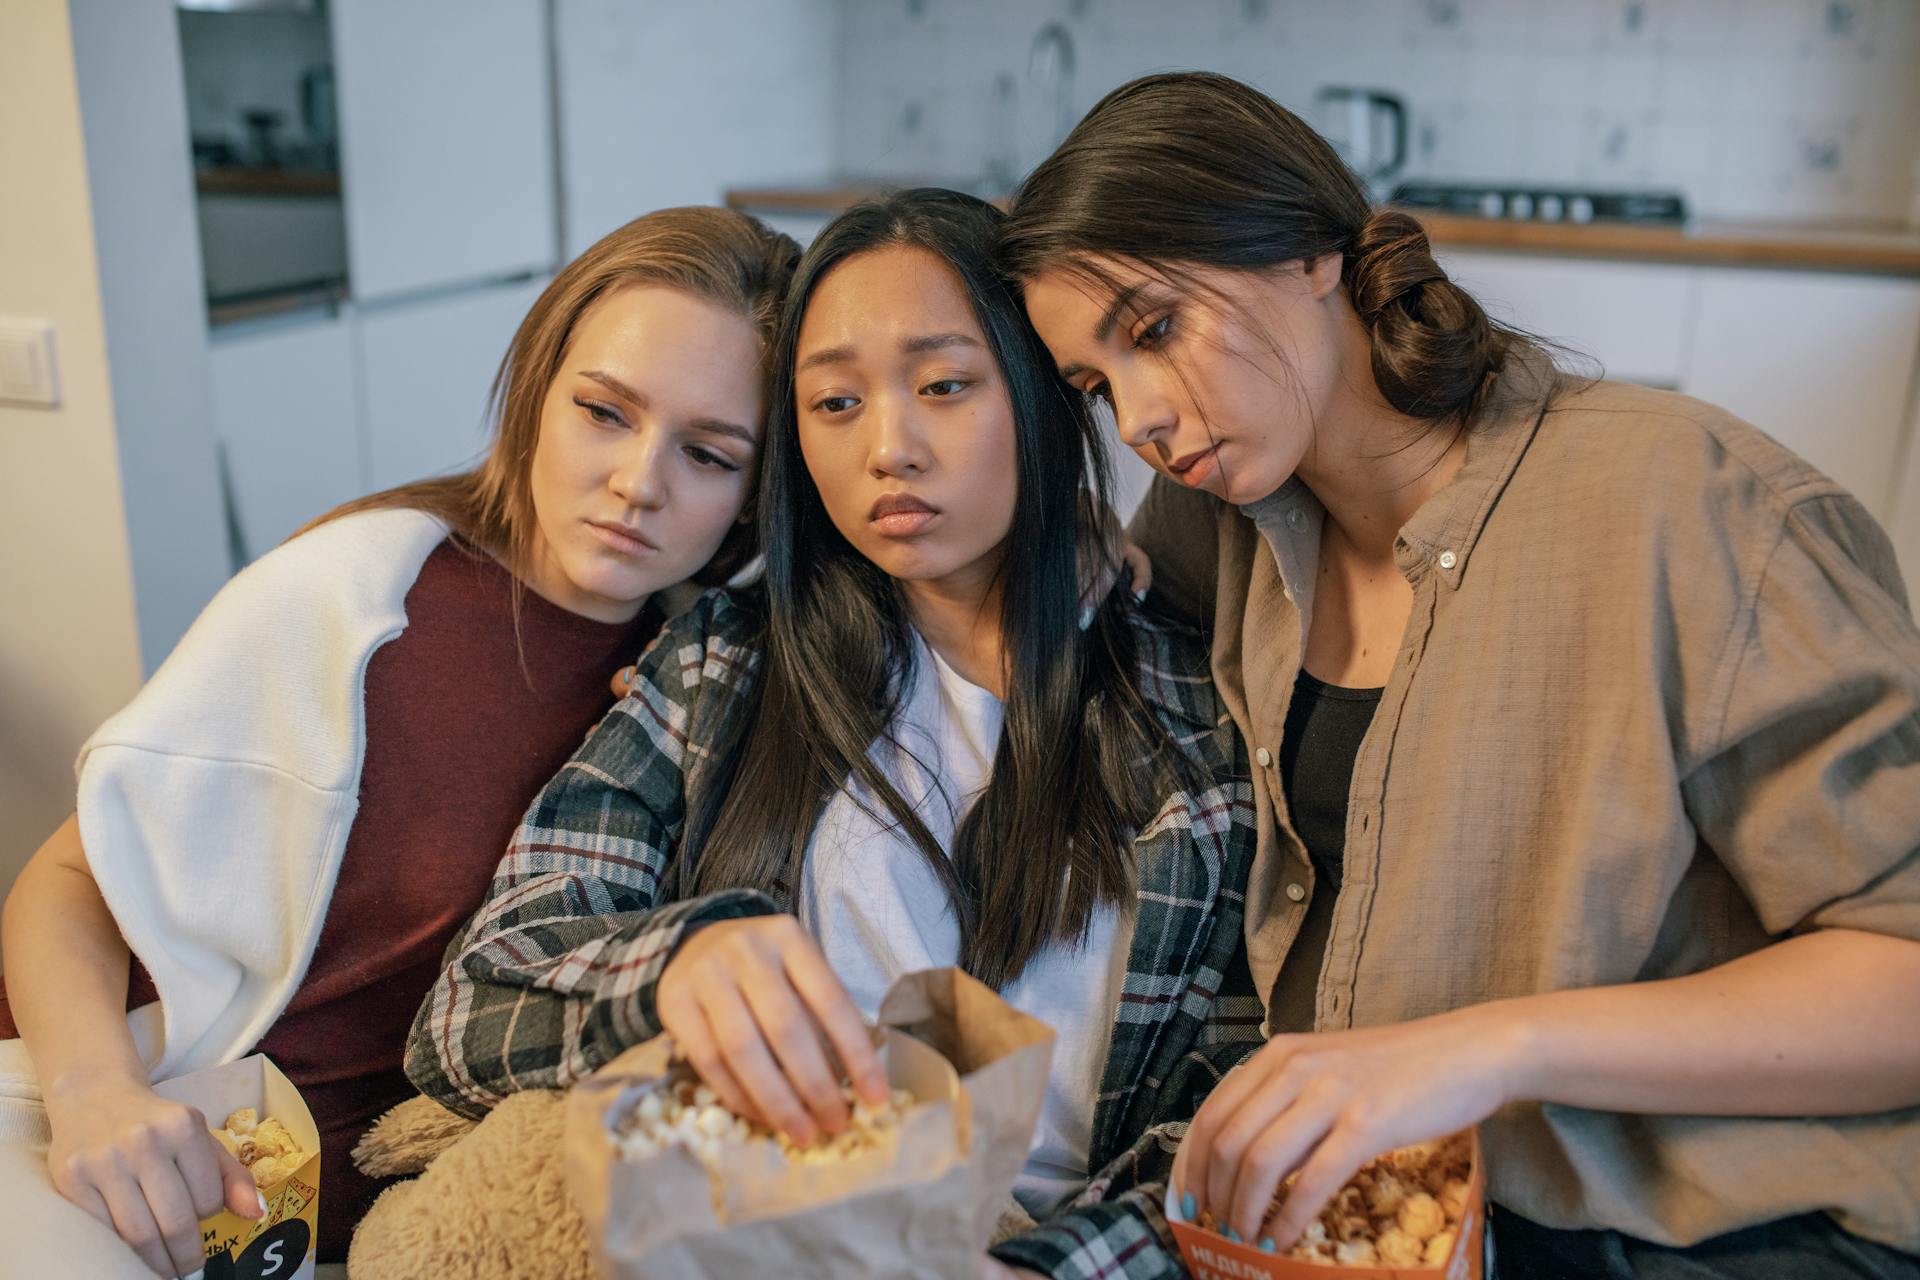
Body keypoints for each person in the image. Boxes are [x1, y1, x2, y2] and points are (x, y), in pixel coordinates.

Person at [1001, 70, 1920, 1277]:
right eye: (1096, 385)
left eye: (1157, 328)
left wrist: (1487, 1046)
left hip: (1725, 1232)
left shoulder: (1697, 503)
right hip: (1411, 1230)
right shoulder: (1218, 520)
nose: (1140, 422)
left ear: (1305, 251)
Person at [404, 188, 1263, 1279]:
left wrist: (1053, 1266)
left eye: (945, 385)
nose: (889, 448)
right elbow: (468, 1009)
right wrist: (676, 964)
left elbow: (1240, 1112)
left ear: (1050, 396)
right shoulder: (727, 665)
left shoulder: (1199, 718)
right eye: (834, 403)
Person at [0, 206, 799, 1275]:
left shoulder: (705, 681)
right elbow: (67, 876)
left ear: (756, 496)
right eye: (604, 412)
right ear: (537, 393)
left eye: (707, 452)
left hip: (384, 1217)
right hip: (125, 1124)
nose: (639, 480)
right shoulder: (357, 593)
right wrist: (97, 1093)